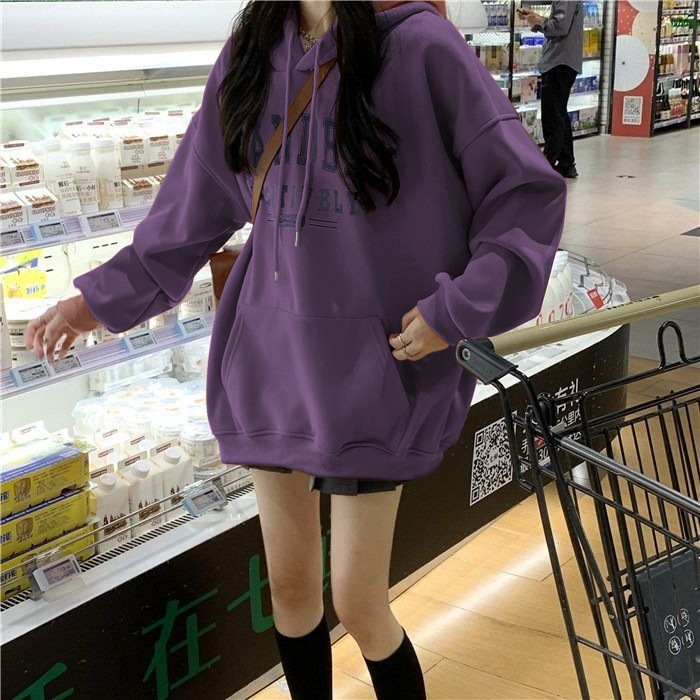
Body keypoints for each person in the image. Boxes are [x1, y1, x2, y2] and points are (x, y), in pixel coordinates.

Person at [26, 2, 566, 698]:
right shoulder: (253, 51)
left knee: (360, 602)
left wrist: (456, 311)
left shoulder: (421, 46)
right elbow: (191, 205)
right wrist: (92, 303)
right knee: (289, 587)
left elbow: (524, 195)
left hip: (377, 367)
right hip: (274, 356)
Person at [519, 1, 584, 178]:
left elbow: (560, 27)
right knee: (559, 113)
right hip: (561, 61)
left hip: (559, 61)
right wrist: (535, 19)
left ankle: (547, 164)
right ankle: (566, 163)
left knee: (552, 115)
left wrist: (538, 21)